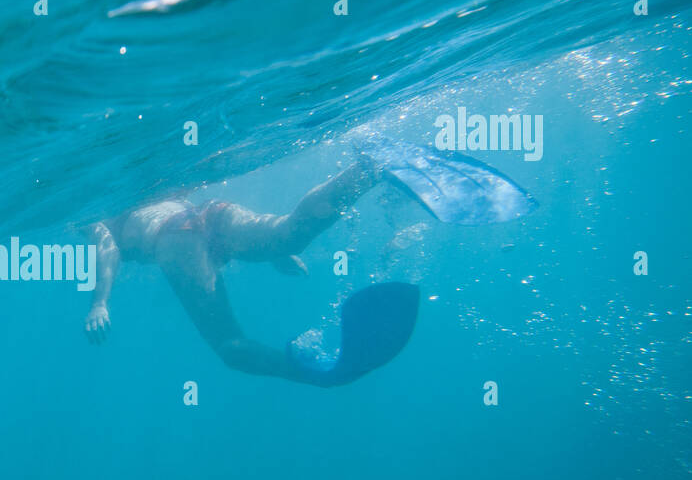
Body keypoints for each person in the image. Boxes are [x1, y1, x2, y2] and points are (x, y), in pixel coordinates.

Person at [82, 143, 537, 386]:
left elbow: (106, 243)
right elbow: (195, 224)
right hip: (205, 215)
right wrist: (272, 255)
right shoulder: (155, 190)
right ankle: (366, 170)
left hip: (173, 239)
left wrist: (100, 302)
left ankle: (312, 374)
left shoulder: (94, 208)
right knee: (288, 233)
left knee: (230, 348)